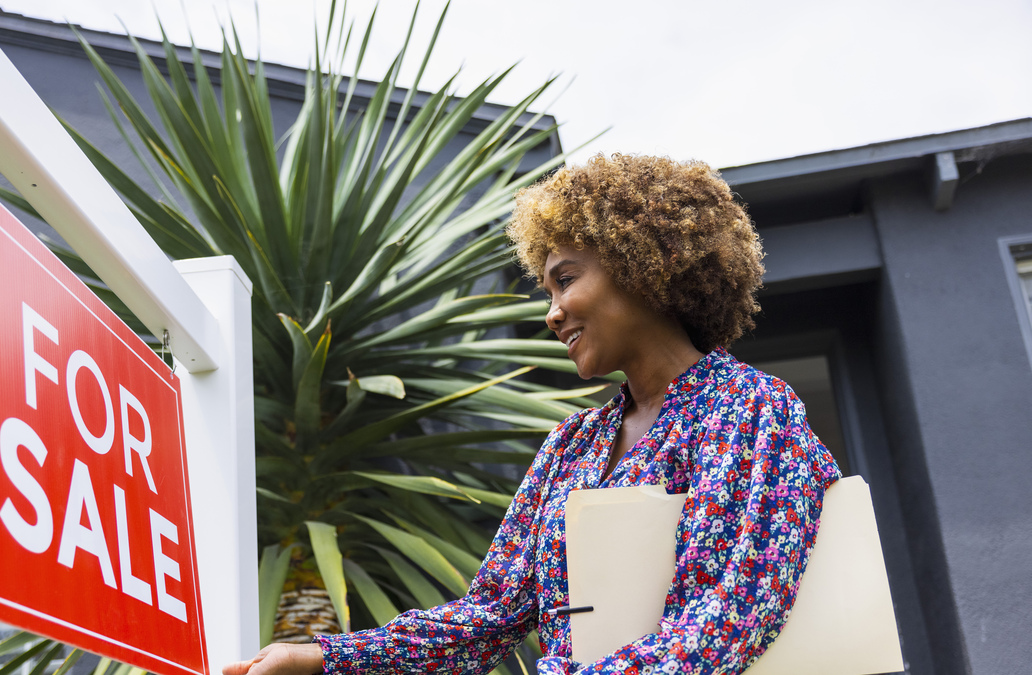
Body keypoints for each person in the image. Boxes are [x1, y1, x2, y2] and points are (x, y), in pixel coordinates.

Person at [225, 154, 842, 675]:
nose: (551, 313)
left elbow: (729, 618)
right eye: (546, 291)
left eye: (565, 280)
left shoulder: (751, 410)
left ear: (645, 265)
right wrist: (320, 658)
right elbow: (490, 615)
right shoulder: (572, 447)